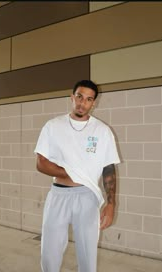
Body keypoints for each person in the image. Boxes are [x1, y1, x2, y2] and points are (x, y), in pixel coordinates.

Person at [34, 79, 120, 272]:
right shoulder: (53, 126)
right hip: (58, 196)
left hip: (87, 197)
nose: (83, 102)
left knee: (88, 259)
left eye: (89, 99)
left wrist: (111, 203)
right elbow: (41, 163)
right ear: (72, 97)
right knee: (49, 256)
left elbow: (108, 169)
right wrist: (74, 171)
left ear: (94, 103)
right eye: (79, 97)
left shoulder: (102, 131)